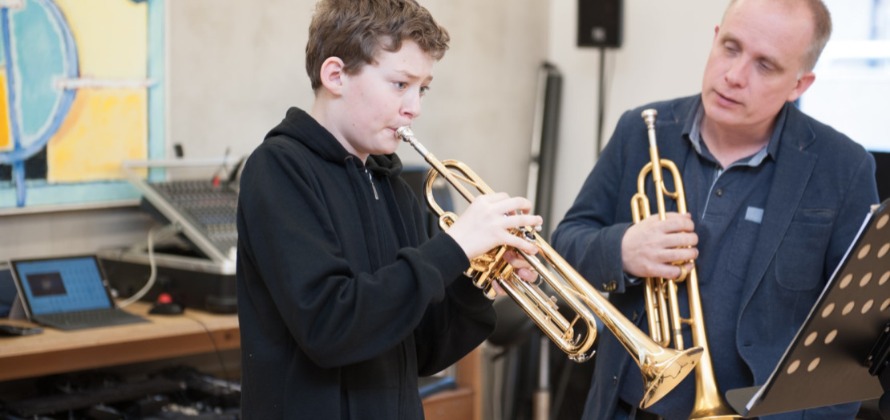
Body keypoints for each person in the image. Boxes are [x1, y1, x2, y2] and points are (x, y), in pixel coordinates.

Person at [551, 0, 880, 419]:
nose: (734, 76)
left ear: (800, 84)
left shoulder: (844, 168)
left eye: (765, 65)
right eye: (730, 47)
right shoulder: (641, 129)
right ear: (714, 39)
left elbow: (851, 339)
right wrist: (622, 251)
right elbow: (564, 243)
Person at [235, 0, 543, 418]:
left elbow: (422, 350)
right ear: (336, 75)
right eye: (400, 84)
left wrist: (481, 284)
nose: (414, 107)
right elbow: (330, 327)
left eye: (423, 89)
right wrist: (453, 246)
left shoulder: (394, 186)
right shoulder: (279, 169)